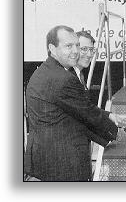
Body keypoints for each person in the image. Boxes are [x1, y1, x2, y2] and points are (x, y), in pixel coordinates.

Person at [24, 25, 119, 181]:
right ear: (52, 48)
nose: (75, 51)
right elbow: (87, 113)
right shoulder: (63, 78)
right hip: (63, 161)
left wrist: (106, 116)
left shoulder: (42, 72)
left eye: (77, 45)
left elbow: (72, 112)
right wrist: (116, 133)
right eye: (69, 46)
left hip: (44, 158)